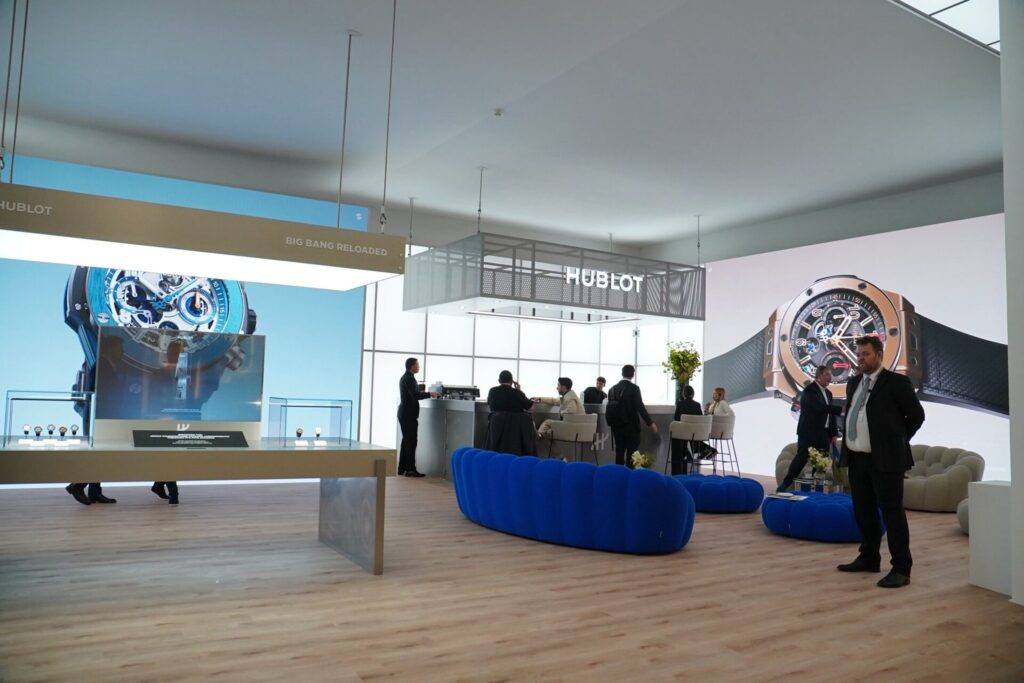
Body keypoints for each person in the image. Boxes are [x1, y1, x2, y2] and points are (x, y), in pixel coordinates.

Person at [838, 335, 924, 589]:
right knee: (863, 510)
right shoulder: (854, 383)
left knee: (892, 513)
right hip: (857, 458)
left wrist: (896, 440)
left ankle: (901, 568)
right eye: (858, 354)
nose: (860, 358)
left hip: (886, 460)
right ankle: (869, 557)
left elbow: (916, 416)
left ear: (878, 355)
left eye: (865, 354)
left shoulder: (896, 382)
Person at [66, 335, 124, 506]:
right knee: (98, 456)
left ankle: (95, 492)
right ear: (110, 348)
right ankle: (77, 486)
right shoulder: (101, 366)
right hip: (98, 419)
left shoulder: (106, 366)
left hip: (103, 418)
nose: (122, 352)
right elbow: (93, 394)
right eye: (120, 347)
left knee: (101, 455)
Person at [777, 365, 842, 492]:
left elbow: (831, 415)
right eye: (827, 374)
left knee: (821, 462)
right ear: (819, 376)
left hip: (824, 434)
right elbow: (820, 408)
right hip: (808, 433)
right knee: (801, 459)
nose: (830, 377)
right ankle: (785, 484)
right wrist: (841, 409)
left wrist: (834, 433)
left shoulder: (828, 393)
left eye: (830, 375)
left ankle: (817, 489)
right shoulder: (809, 391)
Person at [605, 365, 658, 468]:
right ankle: (629, 475)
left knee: (619, 453)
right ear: (633, 374)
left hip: (616, 427)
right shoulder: (634, 388)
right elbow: (640, 406)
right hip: (631, 428)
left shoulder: (612, 389)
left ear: (622, 373)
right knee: (632, 455)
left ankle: (619, 475)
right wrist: (650, 423)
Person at [397, 357, 437, 477]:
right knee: (411, 442)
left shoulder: (406, 377)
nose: (419, 367)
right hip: (408, 415)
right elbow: (415, 395)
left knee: (406, 441)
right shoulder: (409, 379)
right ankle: (410, 469)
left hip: (405, 414)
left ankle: (402, 468)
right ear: (412, 366)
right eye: (417, 364)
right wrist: (430, 394)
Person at [485, 371, 536, 455]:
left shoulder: (492, 391)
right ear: (512, 381)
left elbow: (489, 404)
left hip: (496, 428)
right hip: (516, 435)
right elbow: (531, 408)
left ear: (499, 381)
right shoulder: (517, 392)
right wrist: (519, 391)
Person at [670, 384, 704, 475]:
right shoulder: (697, 405)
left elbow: (676, 419)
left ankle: (678, 470)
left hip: (682, 434)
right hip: (695, 435)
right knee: (689, 441)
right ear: (693, 394)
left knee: (676, 440)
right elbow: (701, 419)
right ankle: (688, 452)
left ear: (683, 394)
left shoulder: (679, 404)